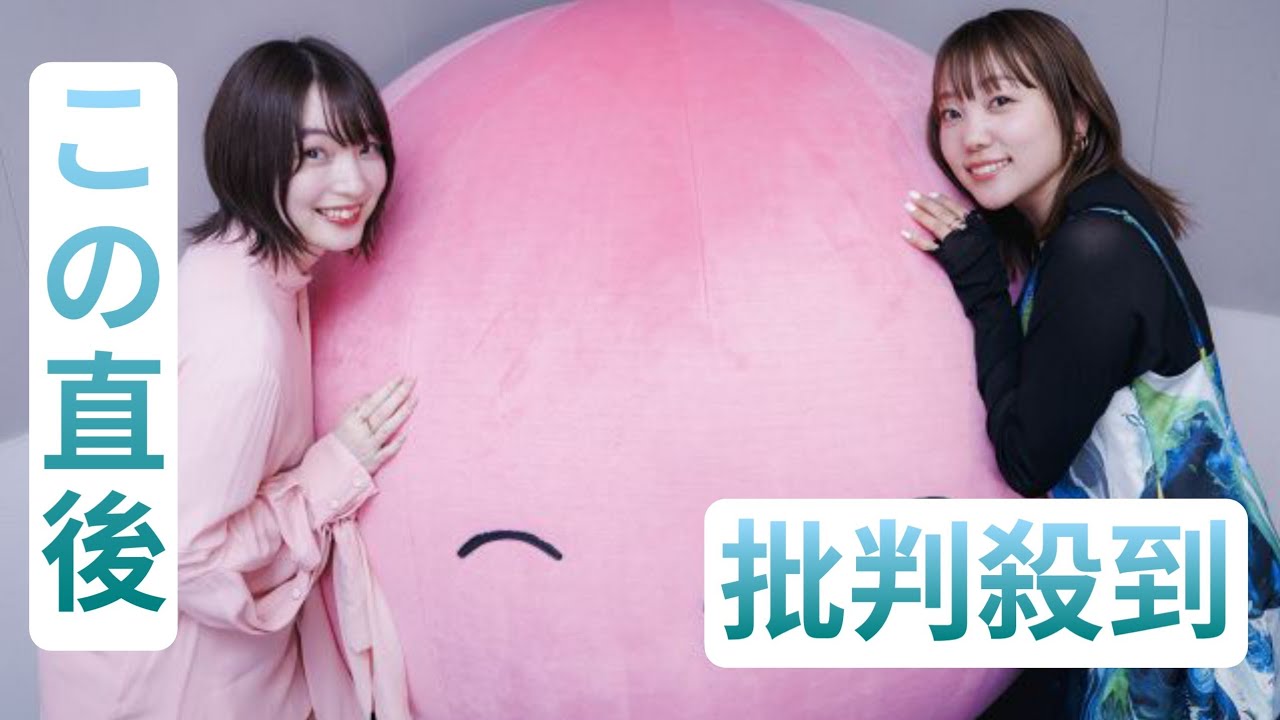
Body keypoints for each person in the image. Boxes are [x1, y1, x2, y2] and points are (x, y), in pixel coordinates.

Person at [898, 9, 1280, 719]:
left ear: (1076, 117)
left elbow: (1026, 459)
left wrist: (982, 286)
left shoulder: (1094, 248)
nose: (970, 135)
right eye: (951, 111)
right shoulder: (1097, 220)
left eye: (1000, 100)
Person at [39, 37, 415, 719]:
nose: (355, 181)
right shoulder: (246, 345)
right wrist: (330, 473)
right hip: (168, 684)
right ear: (252, 158)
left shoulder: (231, 261)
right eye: (315, 154)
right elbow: (177, 554)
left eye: (366, 147)